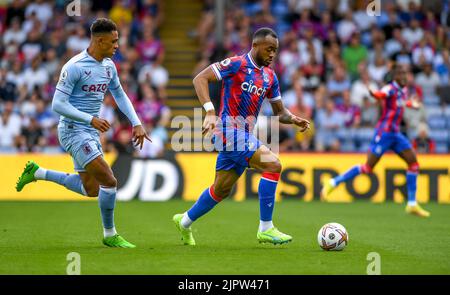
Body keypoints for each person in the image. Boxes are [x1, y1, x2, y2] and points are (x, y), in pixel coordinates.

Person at [15, 18, 151, 247]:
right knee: (109, 180)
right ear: (100, 40)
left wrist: (136, 122)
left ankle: (38, 173)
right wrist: (91, 119)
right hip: (72, 130)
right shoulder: (75, 66)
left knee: (91, 189)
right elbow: (57, 104)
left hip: (89, 131)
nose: (117, 45)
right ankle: (110, 235)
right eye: (114, 41)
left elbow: (119, 94)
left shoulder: (109, 66)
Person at [173, 28, 310, 246]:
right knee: (273, 165)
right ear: (255, 46)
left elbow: (279, 112)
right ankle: (266, 228)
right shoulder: (237, 64)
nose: (272, 54)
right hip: (228, 130)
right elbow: (200, 79)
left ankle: (185, 220)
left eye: (275, 50)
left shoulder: (270, 76)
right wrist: (209, 111)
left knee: (220, 189)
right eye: (269, 49)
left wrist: (293, 118)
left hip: (244, 134)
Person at [321, 64, 430, 218]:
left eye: (407, 73)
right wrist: (375, 94)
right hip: (384, 133)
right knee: (367, 167)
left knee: (413, 163)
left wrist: (413, 104)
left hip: (396, 134)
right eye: (402, 74)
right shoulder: (390, 88)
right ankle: (333, 182)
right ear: (395, 76)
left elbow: (402, 103)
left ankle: (412, 204)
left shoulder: (403, 90)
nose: (406, 76)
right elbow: (382, 94)